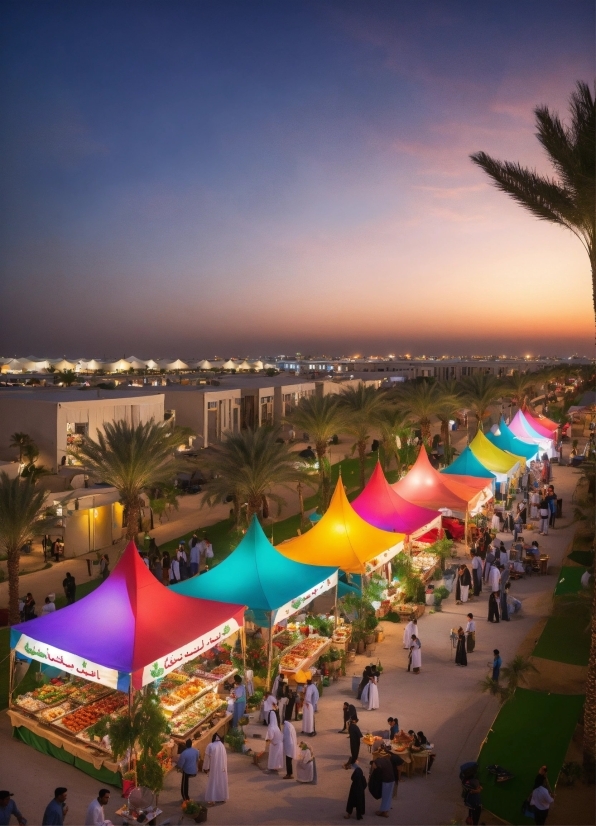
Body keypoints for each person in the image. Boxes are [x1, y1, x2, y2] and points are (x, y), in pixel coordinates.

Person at [203, 733, 228, 805]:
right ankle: (222, 797)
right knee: (221, 782)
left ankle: (212, 799)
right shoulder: (222, 746)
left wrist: (206, 767)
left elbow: (207, 758)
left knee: (213, 782)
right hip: (222, 768)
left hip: (214, 767)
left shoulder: (210, 745)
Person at [371, 753, 394, 817]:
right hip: (392, 779)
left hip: (386, 781)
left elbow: (375, 769)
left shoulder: (377, 763)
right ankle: (386, 809)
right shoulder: (386, 760)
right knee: (389, 796)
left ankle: (383, 812)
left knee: (385, 796)